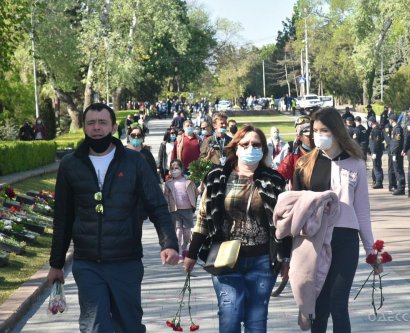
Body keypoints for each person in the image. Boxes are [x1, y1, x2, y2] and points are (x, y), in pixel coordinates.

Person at [47, 103, 178, 333]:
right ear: (85, 128)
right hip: (88, 263)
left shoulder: (133, 162)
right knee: (94, 326)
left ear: (114, 127)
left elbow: (157, 206)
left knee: (129, 326)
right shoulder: (70, 164)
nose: (96, 128)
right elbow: (63, 217)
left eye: (102, 122)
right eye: (91, 123)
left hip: (125, 261)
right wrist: (56, 263)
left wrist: (168, 243)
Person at [183, 125, 290, 333]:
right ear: (236, 148)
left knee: (256, 320)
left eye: (256, 145)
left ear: (264, 150)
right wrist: (191, 254)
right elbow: (204, 218)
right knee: (230, 314)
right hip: (225, 258)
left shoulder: (273, 180)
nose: (251, 148)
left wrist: (285, 259)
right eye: (246, 144)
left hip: (262, 260)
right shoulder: (216, 177)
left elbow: (284, 224)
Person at [292, 108, 380, 333]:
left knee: (338, 304)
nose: (319, 135)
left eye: (325, 130)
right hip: (315, 240)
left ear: (337, 131)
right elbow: (297, 209)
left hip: (345, 240)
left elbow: (362, 211)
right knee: (319, 305)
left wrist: (372, 251)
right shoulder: (304, 164)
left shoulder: (356, 163)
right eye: (315, 131)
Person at [163, 159, 198, 263]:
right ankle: (178, 252)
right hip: (175, 211)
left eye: (176, 168)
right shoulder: (169, 183)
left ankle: (184, 248)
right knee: (178, 232)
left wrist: (202, 186)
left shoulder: (189, 181)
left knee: (187, 233)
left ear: (182, 169)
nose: (174, 171)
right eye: (172, 169)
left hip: (187, 210)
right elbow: (165, 196)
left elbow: (196, 193)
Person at [277, 115, 313, 187]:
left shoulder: (323, 152)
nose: (312, 138)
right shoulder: (292, 153)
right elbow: (279, 175)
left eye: (313, 134)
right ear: (298, 135)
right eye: (308, 135)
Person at [389, 113, 406, 195]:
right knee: (396, 170)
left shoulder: (398, 129)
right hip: (395, 152)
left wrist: (394, 152)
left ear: (392, 120)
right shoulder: (395, 128)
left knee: (398, 170)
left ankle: (401, 188)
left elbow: (397, 142)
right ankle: (399, 187)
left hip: (397, 153)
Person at [368, 116, 384, 189]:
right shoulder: (376, 129)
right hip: (376, 151)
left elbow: (376, 143)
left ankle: (379, 182)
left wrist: (374, 152)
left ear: (371, 122)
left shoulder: (375, 130)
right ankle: (376, 180)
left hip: (376, 151)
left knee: (377, 166)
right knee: (376, 166)